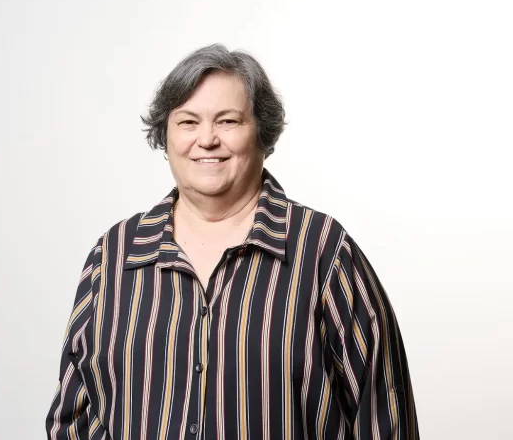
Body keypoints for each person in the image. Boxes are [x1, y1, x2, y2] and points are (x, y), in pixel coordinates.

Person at [46, 44, 419, 440]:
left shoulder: (323, 251)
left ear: (262, 132)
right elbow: (72, 420)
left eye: (227, 121)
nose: (206, 139)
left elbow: (385, 416)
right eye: (188, 122)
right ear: (166, 136)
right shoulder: (114, 255)